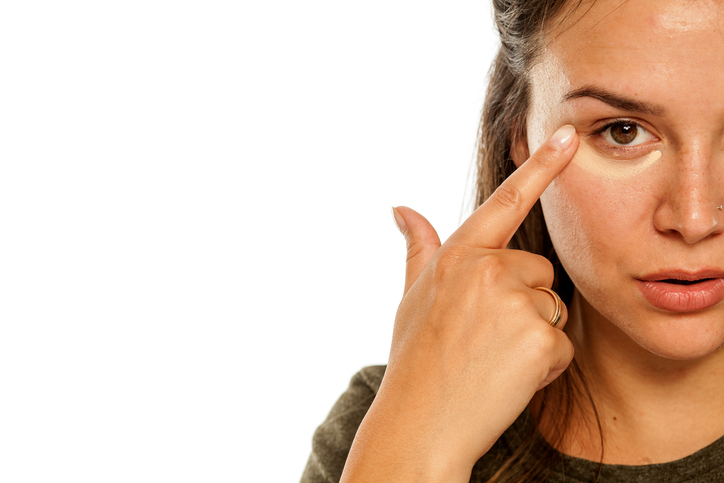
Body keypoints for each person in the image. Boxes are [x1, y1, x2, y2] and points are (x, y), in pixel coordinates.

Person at [301, 0, 724, 481]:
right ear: (520, 134)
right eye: (622, 132)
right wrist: (417, 445)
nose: (694, 219)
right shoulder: (396, 423)